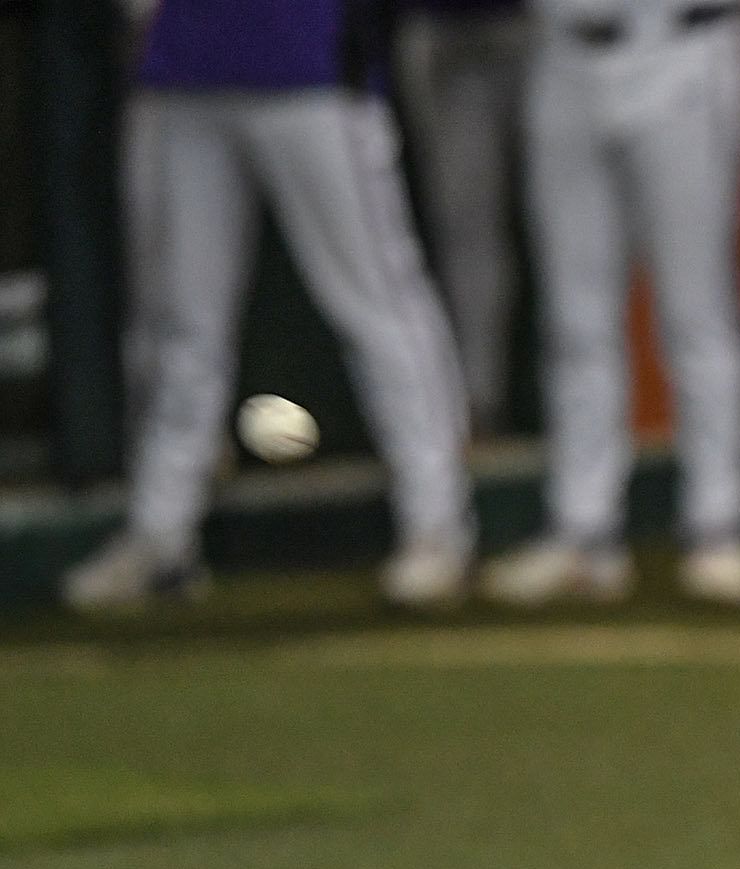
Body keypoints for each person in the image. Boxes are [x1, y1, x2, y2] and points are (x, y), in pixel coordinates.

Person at [65, 0, 476, 612]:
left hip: (309, 60)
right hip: (185, 64)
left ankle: (436, 526)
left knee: (375, 303)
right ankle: (161, 536)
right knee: (181, 321)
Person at [479, 0, 740, 607]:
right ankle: (585, 532)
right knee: (574, 318)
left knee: (697, 309)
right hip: (562, 55)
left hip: (681, 49)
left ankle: (718, 525)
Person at [394, 0, 529, 438]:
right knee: (466, 230)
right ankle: (478, 406)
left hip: (547, 30)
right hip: (440, 29)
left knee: (581, 236)